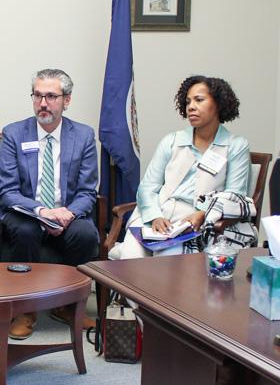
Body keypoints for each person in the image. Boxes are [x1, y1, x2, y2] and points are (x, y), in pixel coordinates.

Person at [0, 69, 100, 339]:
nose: (43, 103)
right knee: (26, 231)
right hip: (27, 212)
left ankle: (66, 306)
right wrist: (42, 212)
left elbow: (88, 191)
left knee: (86, 234)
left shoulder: (84, 136)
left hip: (66, 212)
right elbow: (7, 191)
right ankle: (24, 310)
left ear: (67, 100)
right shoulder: (14, 133)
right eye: (38, 96)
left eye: (51, 96)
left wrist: (67, 214)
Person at [109, 75, 255, 260]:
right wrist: (154, 217)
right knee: (129, 261)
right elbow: (147, 187)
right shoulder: (172, 141)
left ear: (218, 104)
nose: (191, 106)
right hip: (155, 215)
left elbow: (235, 194)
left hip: (192, 221)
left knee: (167, 266)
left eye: (199, 100)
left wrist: (202, 215)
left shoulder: (235, 145)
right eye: (188, 102)